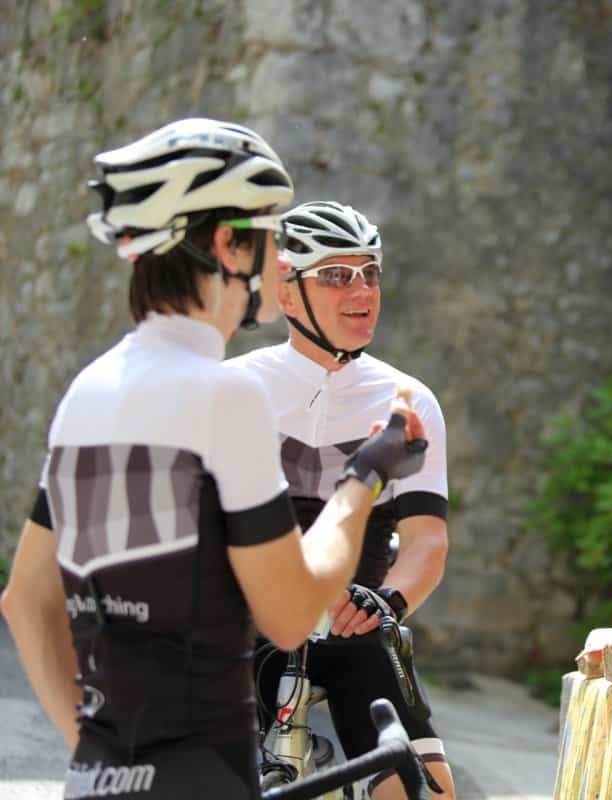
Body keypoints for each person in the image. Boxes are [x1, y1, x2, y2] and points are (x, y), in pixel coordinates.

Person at [0, 119, 428, 799]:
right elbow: (290, 613)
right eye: (267, 237)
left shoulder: (89, 391)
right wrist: (367, 472)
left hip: (97, 781)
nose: (278, 261)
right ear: (227, 245)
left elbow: (26, 601)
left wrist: (91, 747)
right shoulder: (224, 395)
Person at [226, 200, 455, 800]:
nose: (361, 289)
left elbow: (427, 539)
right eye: (336, 274)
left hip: (355, 627)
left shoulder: (408, 400)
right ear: (287, 292)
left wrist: (387, 603)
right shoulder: (236, 389)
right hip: (245, 629)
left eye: (369, 271)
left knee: (423, 791)